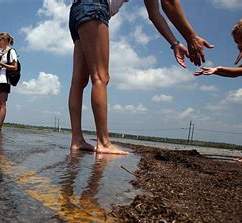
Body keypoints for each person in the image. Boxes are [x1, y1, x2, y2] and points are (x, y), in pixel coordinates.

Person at [68, 0, 213, 153]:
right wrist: (191, 37)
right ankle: (103, 142)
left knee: (79, 80)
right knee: (100, 77)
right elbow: (168, 3)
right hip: (94, 8)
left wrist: (175, 43)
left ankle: (77, 140)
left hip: (78, 9)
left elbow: (154, 14)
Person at [0, 32, 18, 133]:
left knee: (2, 104)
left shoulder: (11, 51)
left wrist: (1, 63)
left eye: (0, 40)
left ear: (6, 40)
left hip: (4, 80)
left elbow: (15, 67)